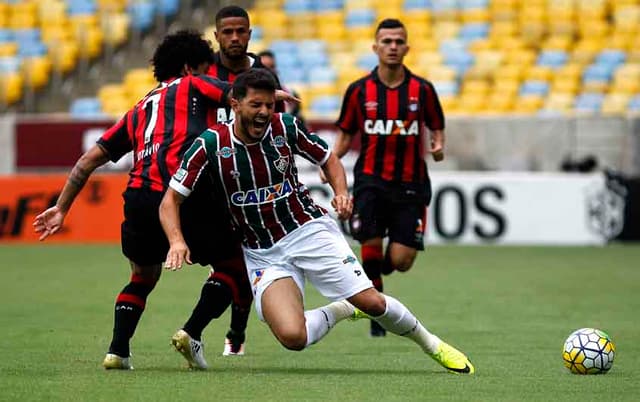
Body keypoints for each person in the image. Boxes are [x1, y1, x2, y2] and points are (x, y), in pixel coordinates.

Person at [159, 69, 474, 374]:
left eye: (269, 105)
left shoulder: (287, 128)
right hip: (263, 252)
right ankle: (341, 310)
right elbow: (170, 201)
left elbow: (329, 159)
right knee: (293, 338)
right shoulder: (210, 145)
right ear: (235, 104)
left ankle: (432, 344)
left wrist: (341, 193)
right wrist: (176, 240)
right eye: (256, 105)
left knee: (373, 303)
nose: (264, 112)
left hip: (307, 230)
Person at [32, 30, 294, 370]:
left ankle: (118, 351)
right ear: (190, 68)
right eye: (203, 68)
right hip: (185, 193)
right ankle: (192, 332)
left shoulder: (139, 108)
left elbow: (87, 161)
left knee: (142, 277)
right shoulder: (193, 84)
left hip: (139, 197)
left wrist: (61, 207)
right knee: (234, 267)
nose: (207, 74)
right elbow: (237, 95)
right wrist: (269, 96)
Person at [170, 5, 289, 362]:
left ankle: (234, 332)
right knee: (238, 265)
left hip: (249, 190)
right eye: (228, 32)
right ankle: (209, 332)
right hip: (207, 189)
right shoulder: (206, 74)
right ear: (217, 36)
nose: (235, 38)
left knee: (248, 263)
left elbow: (275, 130)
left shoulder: (264, 76)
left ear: (250, 34)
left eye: (241, 32)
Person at [331, 18, 446, 337]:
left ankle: (374, 274)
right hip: (370, 182)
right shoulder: (358, 91)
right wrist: (330, 161)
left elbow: (437, 126)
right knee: (368, 241)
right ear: (375, 47)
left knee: (401, 259)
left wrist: (438, 145)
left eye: (398, 41)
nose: (393, 47)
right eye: (387, 41)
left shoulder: (422, 89)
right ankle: (377, 314)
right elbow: (344, 136)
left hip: (411, 186)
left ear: (406, 47)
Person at [257, 49, 305, 125]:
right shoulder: (247, 96)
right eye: (263, 67)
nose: (268, 71)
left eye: (271, 67)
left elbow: (299, 121)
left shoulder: (291, 94)